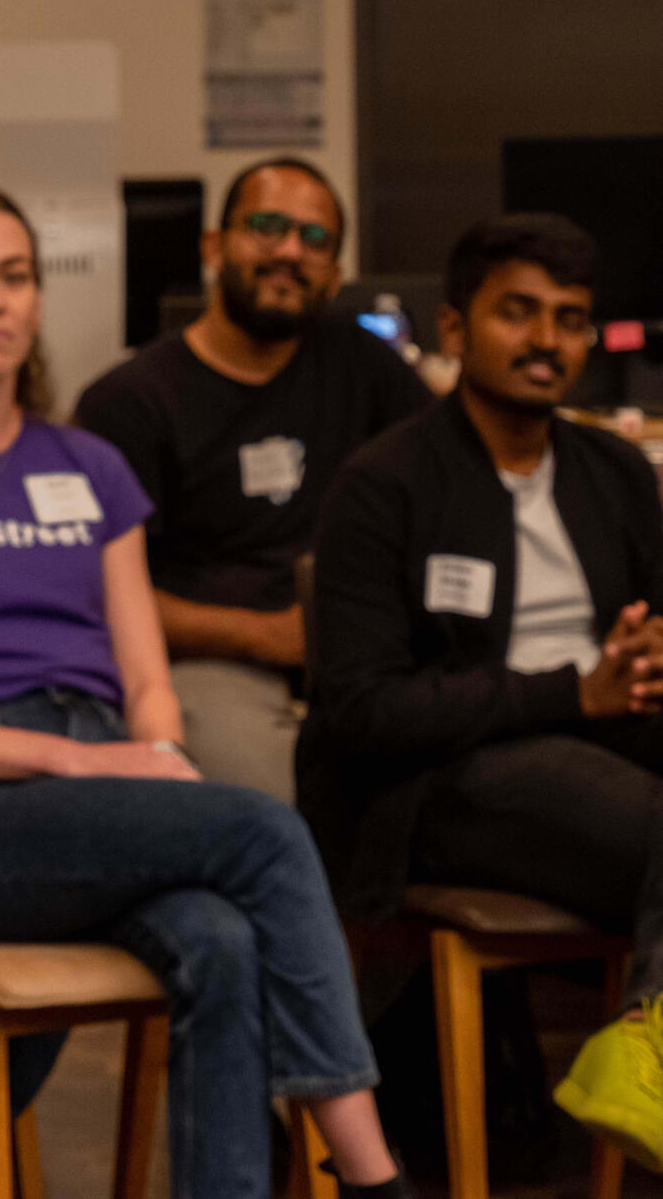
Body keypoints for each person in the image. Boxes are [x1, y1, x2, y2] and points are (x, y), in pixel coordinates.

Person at [0, 184, 406, 1199]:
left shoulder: (89, 466)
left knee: (220, 941)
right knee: (266, 832)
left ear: (38, 299)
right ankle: (374, 1176)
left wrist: (152, 754)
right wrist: (79, 759)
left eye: (14, 276)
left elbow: (147, 677)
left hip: (102, 788)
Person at [301, 212, 663, 1169]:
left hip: (605, 737)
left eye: (571, 319)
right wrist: (569, 694)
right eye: (519, 312)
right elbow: (361, 711)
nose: (548, 340)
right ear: (455, 328)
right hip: (434, 782)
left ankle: (646, 1049)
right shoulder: (383, 484)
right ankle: (652, 1042)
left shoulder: (616, 472)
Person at [75, 157, 427, 801]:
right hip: (211, 664)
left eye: (314, 238)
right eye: (267, 227)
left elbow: (442, 489)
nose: (290, 251)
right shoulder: (129, 403)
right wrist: (266, 635)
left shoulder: (370, 371)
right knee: (280, 804)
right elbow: (98, 596)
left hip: (363, 657)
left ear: (335, 273)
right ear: (214, 246)